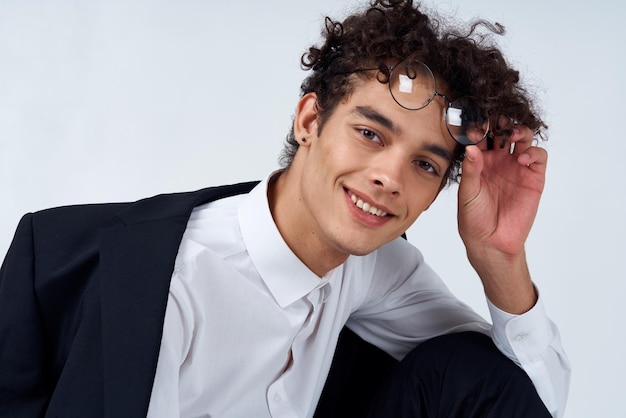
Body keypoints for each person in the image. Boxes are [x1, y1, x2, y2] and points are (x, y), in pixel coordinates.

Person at [0, 0, 570, 417]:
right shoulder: (176, 286)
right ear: (309, 121)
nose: (388, 177)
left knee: (461, 372)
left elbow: (514, 400)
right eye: (371, 133)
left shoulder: (373, 267)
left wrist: (499, 256)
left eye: (425, 164)